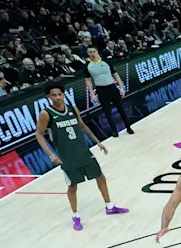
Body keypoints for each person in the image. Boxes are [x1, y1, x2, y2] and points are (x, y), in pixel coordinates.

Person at [34, 82, 129, 231]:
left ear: (64, 94)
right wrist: (51, 155)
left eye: (60, 94)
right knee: (73, 185)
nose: (58, 97)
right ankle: (75, 216)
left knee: (100, 176)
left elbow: (83, 126)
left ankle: (109, 206)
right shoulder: (46, 114)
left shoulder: (72, 109)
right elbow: (39, 134)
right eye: (54, 95)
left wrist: (97, 142)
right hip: (66, 156)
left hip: (83, 151)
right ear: (48, 96)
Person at [84, 45, 134, 137]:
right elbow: (88, 80)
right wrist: (92, 94)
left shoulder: (106, 62)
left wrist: (121, 88)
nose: (92, 54)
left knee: (121, 109)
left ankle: (128, 127)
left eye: (93, 51)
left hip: (112, 88)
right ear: (88, 53)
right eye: (90, 52)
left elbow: (115, 74)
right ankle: (114, 131)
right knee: (107, 112)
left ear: (97, 52)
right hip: (101, 90)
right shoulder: (87, 65)